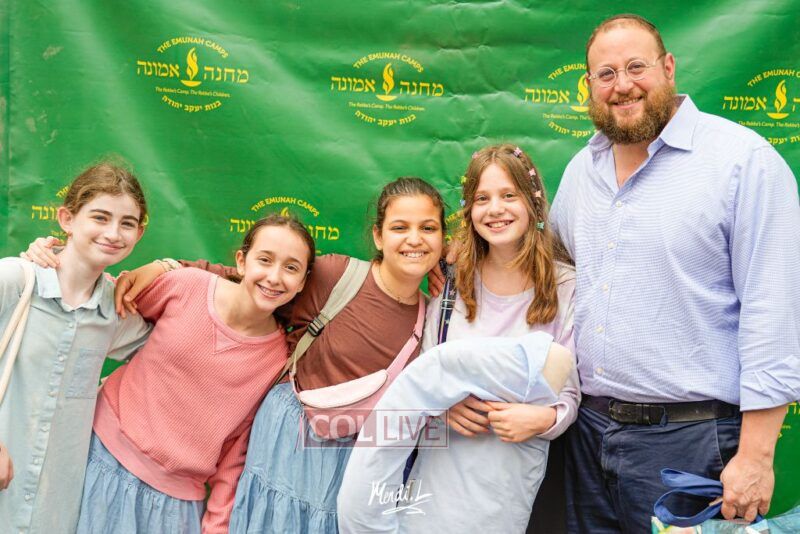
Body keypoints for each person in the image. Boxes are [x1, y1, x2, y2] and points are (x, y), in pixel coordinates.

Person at [549, 14, 800, 533]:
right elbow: (548, 271)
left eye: (636, 67)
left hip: (692, 444)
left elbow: (774, 312)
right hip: (586, 439)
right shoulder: (581, 171)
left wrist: (755, 457)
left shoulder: (742, 162)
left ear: (668, 68)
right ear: (590, 85)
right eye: (606, 74)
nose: (622, 85)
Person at [99, 177, 446, 533]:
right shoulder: (337, 275)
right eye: (399, 227)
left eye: (428, 228)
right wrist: (165, 266)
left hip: (345, 465)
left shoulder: (436, 317)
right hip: (281, 443)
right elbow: (254, 281)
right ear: (378, 236)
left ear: (443, 238)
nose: (414, 239)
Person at [24, 214, 315, 533]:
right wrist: (51, 259)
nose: (274, 277)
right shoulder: (187, 286)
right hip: (95, 460)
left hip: (172, 508)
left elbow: (237, 452)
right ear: (241, 261)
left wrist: (217, 526)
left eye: (291, 268)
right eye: (265, 260)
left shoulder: (278, 361)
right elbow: (102, 301)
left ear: (303, 282)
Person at [340, 144, 579, 532]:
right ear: (469, 210)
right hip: (439, 480)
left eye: (508, 196)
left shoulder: (565, 286)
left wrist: (544, 419)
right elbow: (421, 385)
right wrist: (443, 410)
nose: (495, 209)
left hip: (510, 484)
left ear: (533, 202)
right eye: (482, 199)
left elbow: (570, 393)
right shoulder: (451, 282)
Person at [0, 162, 152, 534]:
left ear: (139, 233)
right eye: (100, 217)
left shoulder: (115, 311)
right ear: (67, 219)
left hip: (55, 508)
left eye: (127, 223)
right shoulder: (15, 280)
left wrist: (166, 267)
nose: (113, 233)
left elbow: (176, 350)